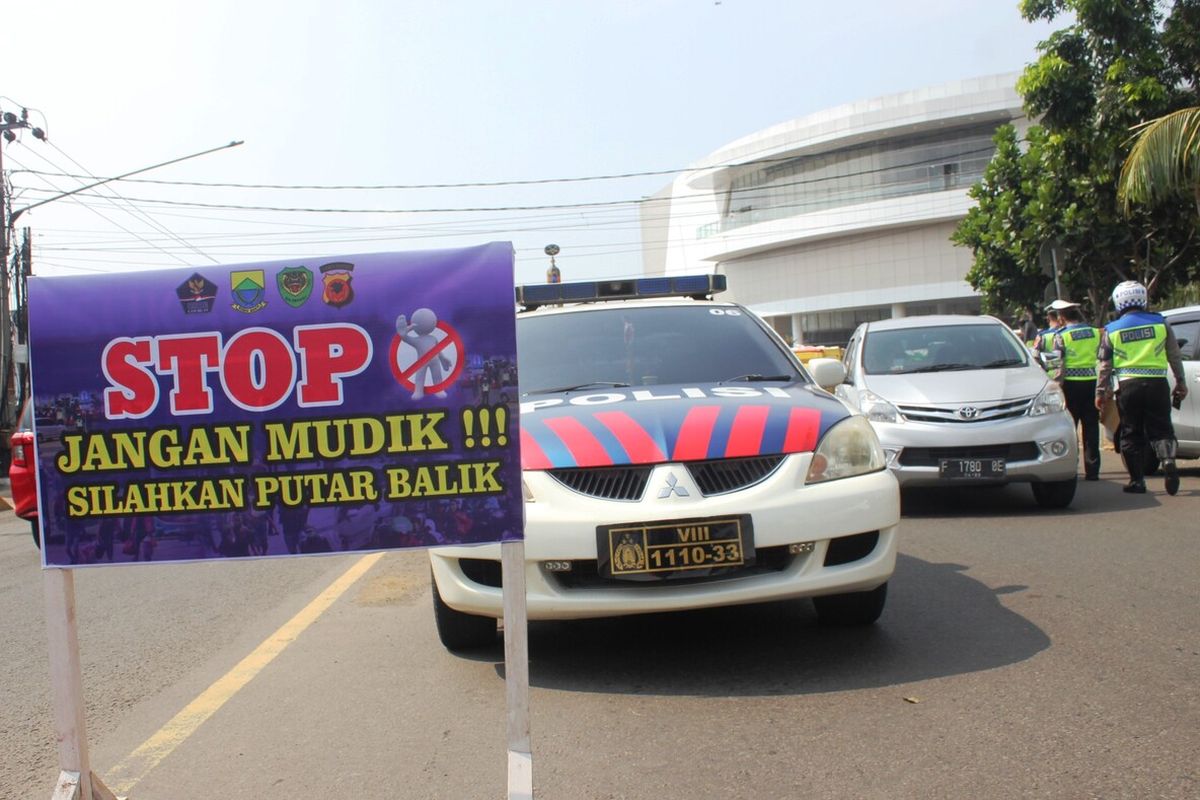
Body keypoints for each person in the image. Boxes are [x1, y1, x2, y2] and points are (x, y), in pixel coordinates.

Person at [1094, 280, 1189, 495]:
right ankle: (1167, 461)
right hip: (1157, 384)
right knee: (1162, 428)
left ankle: (1137, 481)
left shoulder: (1111, 330)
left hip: (1128, 387)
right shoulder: (1160, 322)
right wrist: (1181, 382)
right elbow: (1174, 355)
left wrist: (1101, 392)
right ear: (1143, 299)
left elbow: (1105, 366)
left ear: (1119, 303)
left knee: (1130, 433)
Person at [1051, 302, 1101, 481]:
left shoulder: (1061, 336)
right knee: (1092, 427)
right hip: (1092, 384)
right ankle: (1093, 470)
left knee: (1071, 428)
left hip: (1070, 386)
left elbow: (1058, 364)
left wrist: (1056, 386)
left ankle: (1073, 466)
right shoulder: (1095, 332)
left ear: (1062, 318)